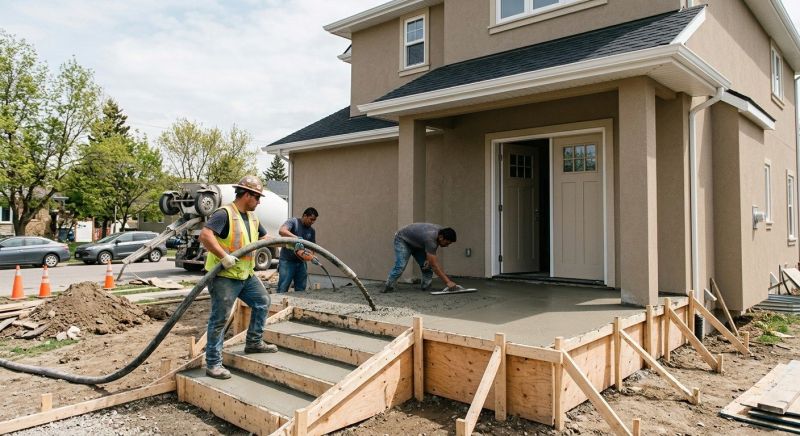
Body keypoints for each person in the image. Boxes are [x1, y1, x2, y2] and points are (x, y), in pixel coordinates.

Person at [198, 175, 277, 380]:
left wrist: (288, 242)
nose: (259, 202)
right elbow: (205, 235)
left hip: (245, 275)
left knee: (262, 301)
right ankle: (213, 363)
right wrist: (224, 257)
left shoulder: (252, 217)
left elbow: (262, 238)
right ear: (247, 195)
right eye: (257, 197)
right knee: (219, 319)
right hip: (224, 275)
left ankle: (253, 342)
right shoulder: (224, 214)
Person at [383, 223, 457, 293]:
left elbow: (433, 247)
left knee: (427, 266)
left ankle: (426, 287)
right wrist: (448, 282)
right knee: (400, 266)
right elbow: (434, 265)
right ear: (441, 237)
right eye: (447, 243)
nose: (447, 245)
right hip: (403, 240)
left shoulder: (441, 232)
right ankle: (389, 287)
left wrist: (428, 259)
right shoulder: (430, 238)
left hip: (418, 243)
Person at [277, 207, 319, 293]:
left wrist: (312, 257)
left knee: (301, 289)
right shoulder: (293, 222)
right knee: (283, 287)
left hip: (301, 263)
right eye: (311, 219)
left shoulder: (311, 231)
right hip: (287, 261)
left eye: (314, 220)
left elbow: (313, 247)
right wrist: (296, 238)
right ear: (304, 216)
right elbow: (282, 231)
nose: (312, 222)